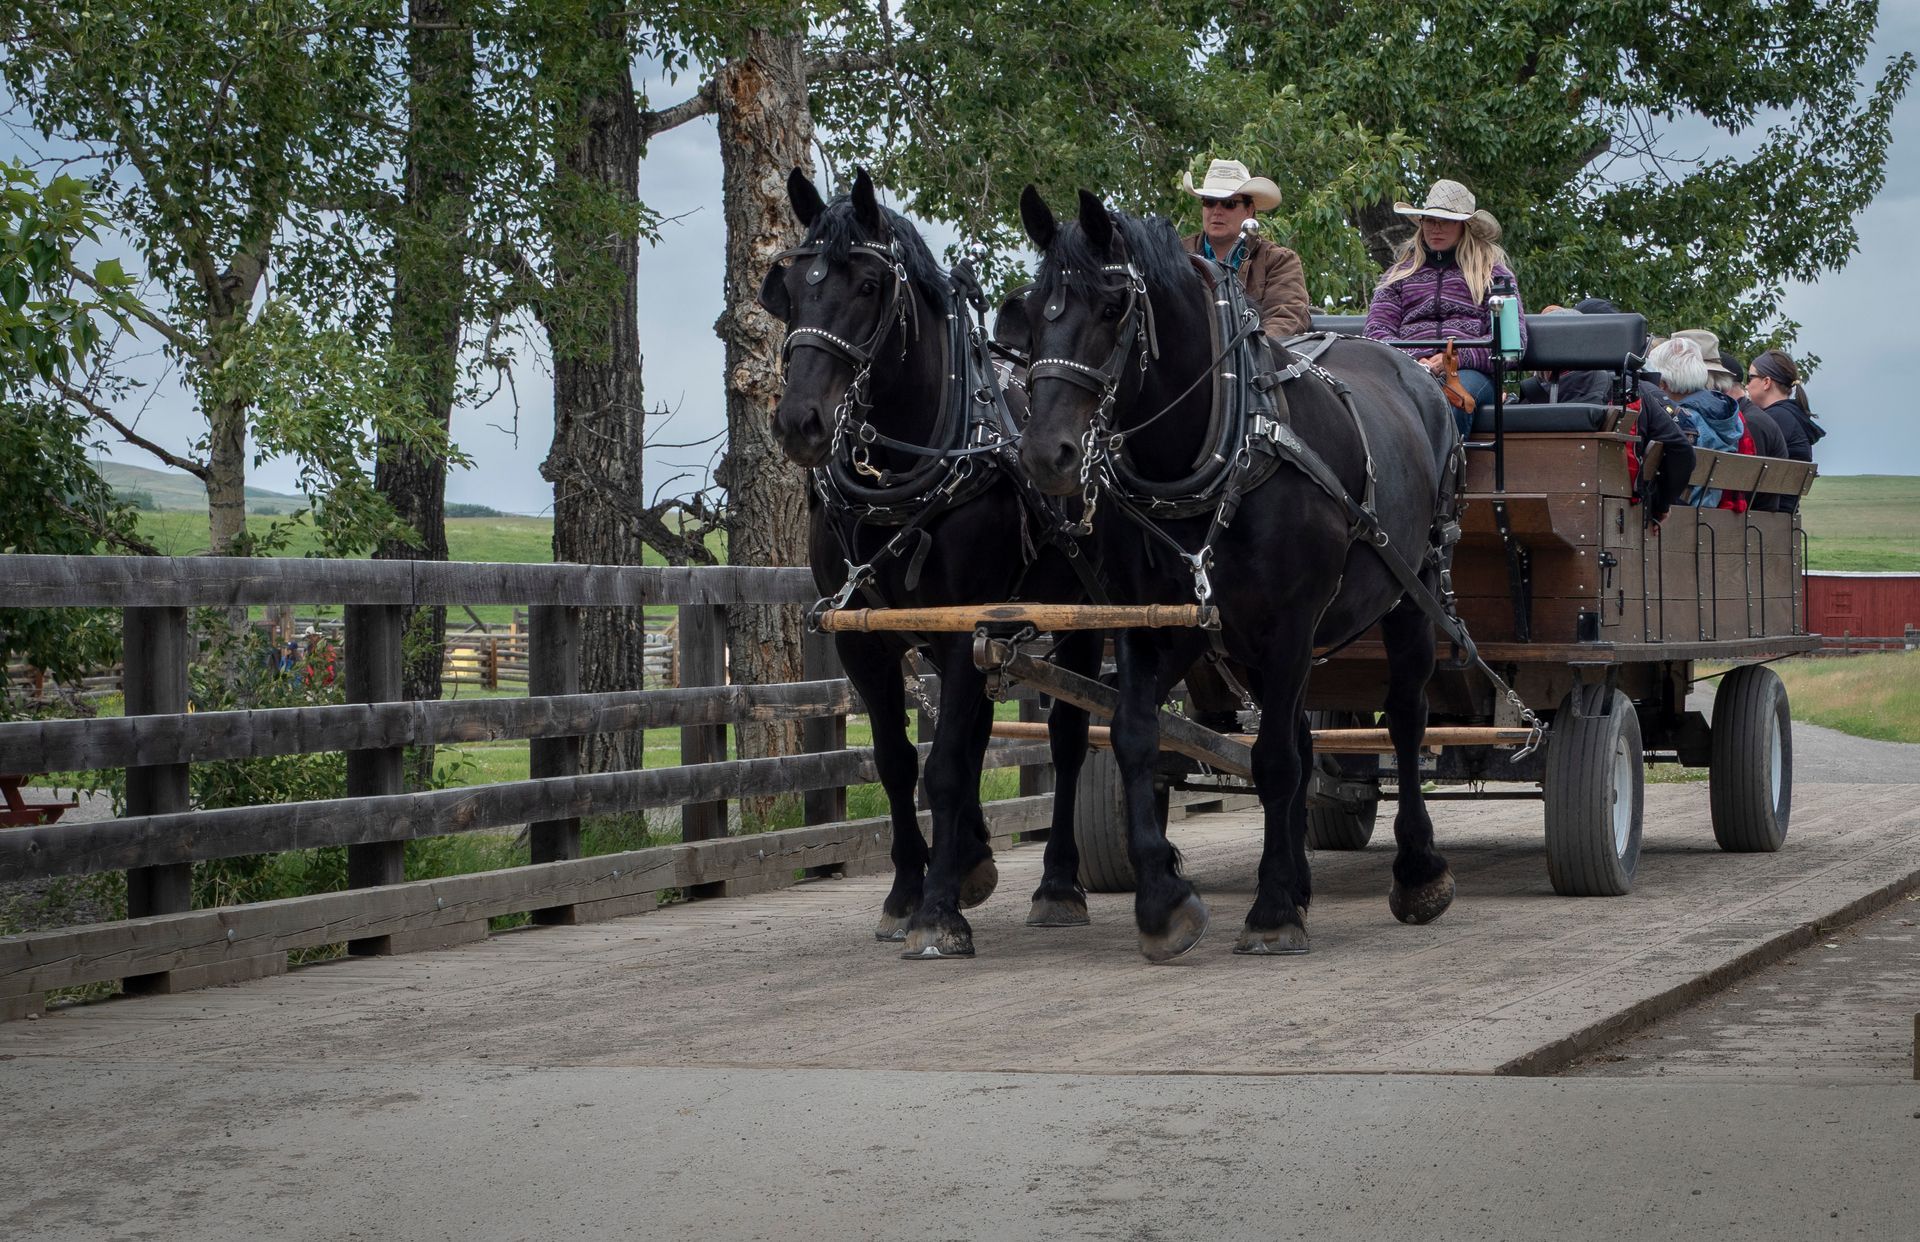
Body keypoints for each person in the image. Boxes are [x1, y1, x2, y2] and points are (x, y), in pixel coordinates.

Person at [1365, 178, 1528, 437]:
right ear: (1421, 224)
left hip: (1471, 374)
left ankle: (1445, 476)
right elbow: (1376, 332)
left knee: (1451, 400)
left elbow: (1510, 345)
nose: (1436, 228)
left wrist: (1454, 359)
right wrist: (1416, 360)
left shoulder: (1493, 275)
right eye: (1430, 220)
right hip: (1405, 369)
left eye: (1446, 221)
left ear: (1465, 226)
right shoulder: (1397, 276)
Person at [1179, 158, 1311, 338]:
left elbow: (1286, 317)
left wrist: (1249, 353)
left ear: (1250, 210)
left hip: (1255, 363)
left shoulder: (1279, 261)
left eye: (1229, 204)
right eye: (1209, 202)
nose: (1217, 211)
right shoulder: (1178, 255)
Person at [1647, 337, 1752, 509]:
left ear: (1662, 384)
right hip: (1708, 513)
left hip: (1677, 515)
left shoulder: (1679, 421)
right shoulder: (1727, 414)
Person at [1741, 348, 1821, 514]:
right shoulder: (1790, 415)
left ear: (1766, 382)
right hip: (1781, 518)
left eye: (1750, 378)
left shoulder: (1774, 419)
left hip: (1767, 519)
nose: (1746, 385)